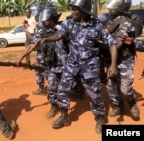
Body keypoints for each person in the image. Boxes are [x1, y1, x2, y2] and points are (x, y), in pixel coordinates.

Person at [35, 0, 118, 134]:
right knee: (63, 88)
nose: (72, 11)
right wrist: (47, 39)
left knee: (93, 93)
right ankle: (64, 115)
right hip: (72, 64)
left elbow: (112, 44)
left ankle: (100, 117)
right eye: (72, 9)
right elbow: (59, 35)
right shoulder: (69, 23)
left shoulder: (97, 25)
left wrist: (113, 65)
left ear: (84, 11)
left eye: (75, 9)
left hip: (90, 66)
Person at [103, 0, 140, 119]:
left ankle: (132, 103)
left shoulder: (126, 23)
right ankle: (118, 106)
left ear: (120, 8)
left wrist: (101, 45)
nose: (110, 11)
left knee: (125, 89)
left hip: (124, 60)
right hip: (110, 58)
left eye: (113, 9)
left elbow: (118, 44)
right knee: (111, 86)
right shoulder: (110, 21)